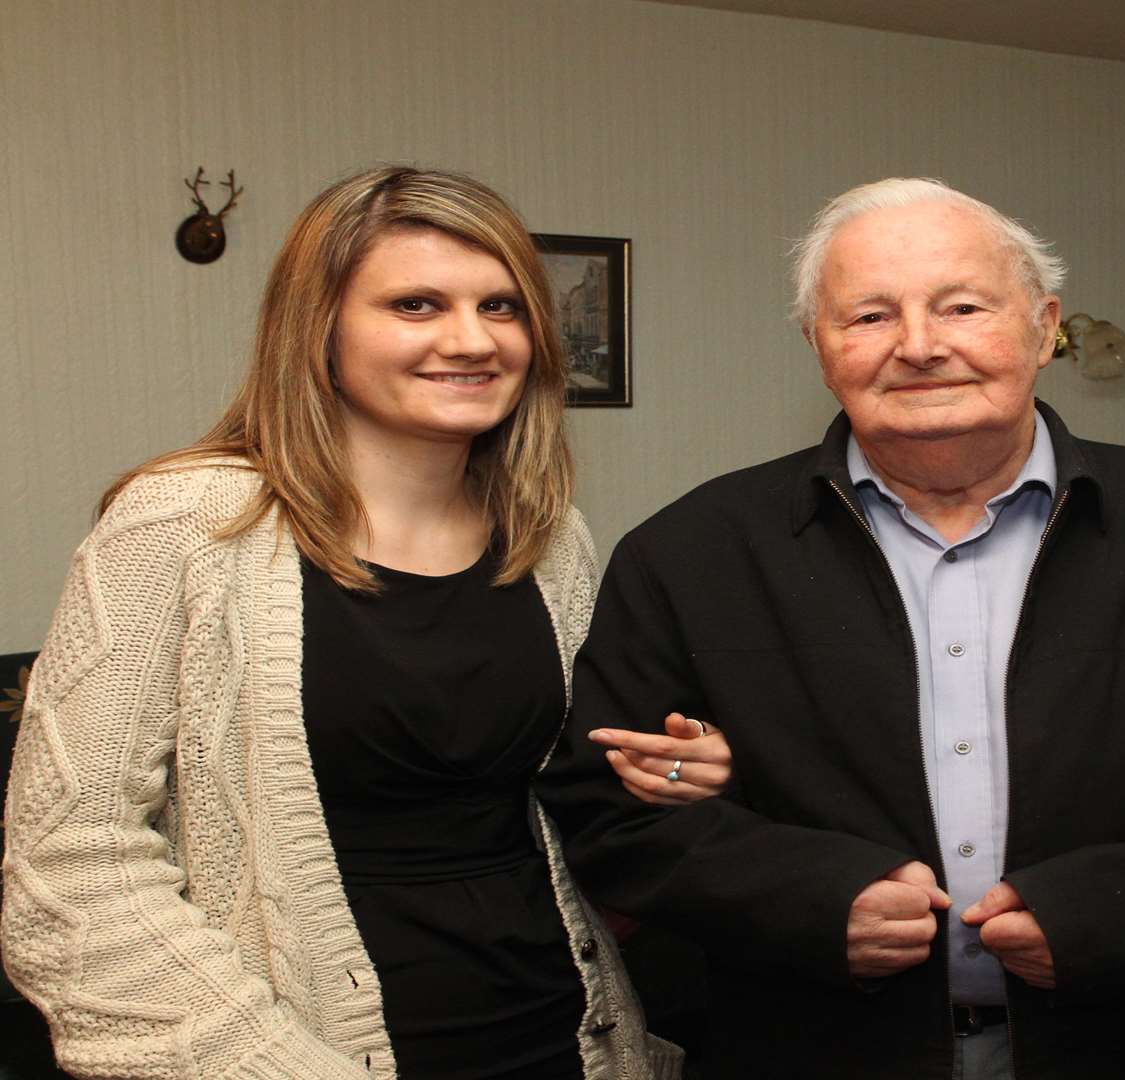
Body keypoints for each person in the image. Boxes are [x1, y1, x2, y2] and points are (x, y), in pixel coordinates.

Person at [536, 177, 1125, 1079]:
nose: (920, 347)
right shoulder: (689, 553)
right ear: (819, 348)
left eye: (962, 306)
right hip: (816, 1051)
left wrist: (1104, 915)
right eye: (868, 318)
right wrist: (809, 901)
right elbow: (608, 811)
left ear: (1046, 326)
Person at [1, 167, 687, 1080]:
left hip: (561, 1035)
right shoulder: (186, 522)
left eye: (502, 307)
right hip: (287, 1052)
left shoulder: (550, 538)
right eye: (415, 304)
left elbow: (551, 802)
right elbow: (70, 872)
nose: (471, 340)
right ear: (317, 327)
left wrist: (666, 770)